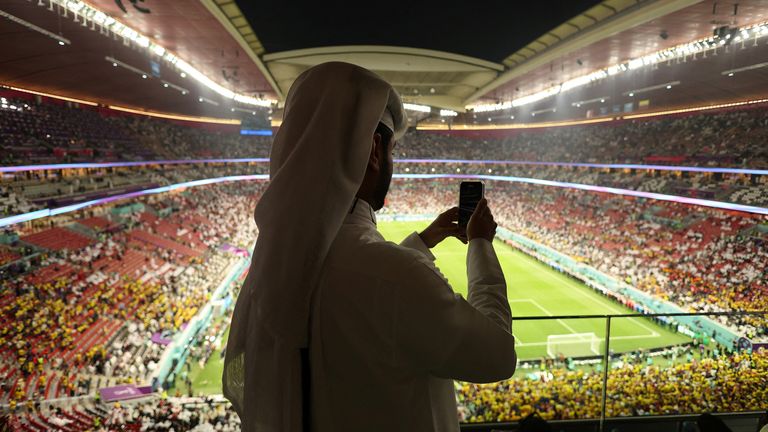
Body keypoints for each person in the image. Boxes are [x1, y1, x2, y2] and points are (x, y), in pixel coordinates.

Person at [223, 62, 516, 432]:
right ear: (375, 149)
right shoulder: (395, 278)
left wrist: (421, 242)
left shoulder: (273, 267)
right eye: (393, 149)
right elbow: (497, 356)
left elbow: (357, 276)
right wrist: (480, 246)